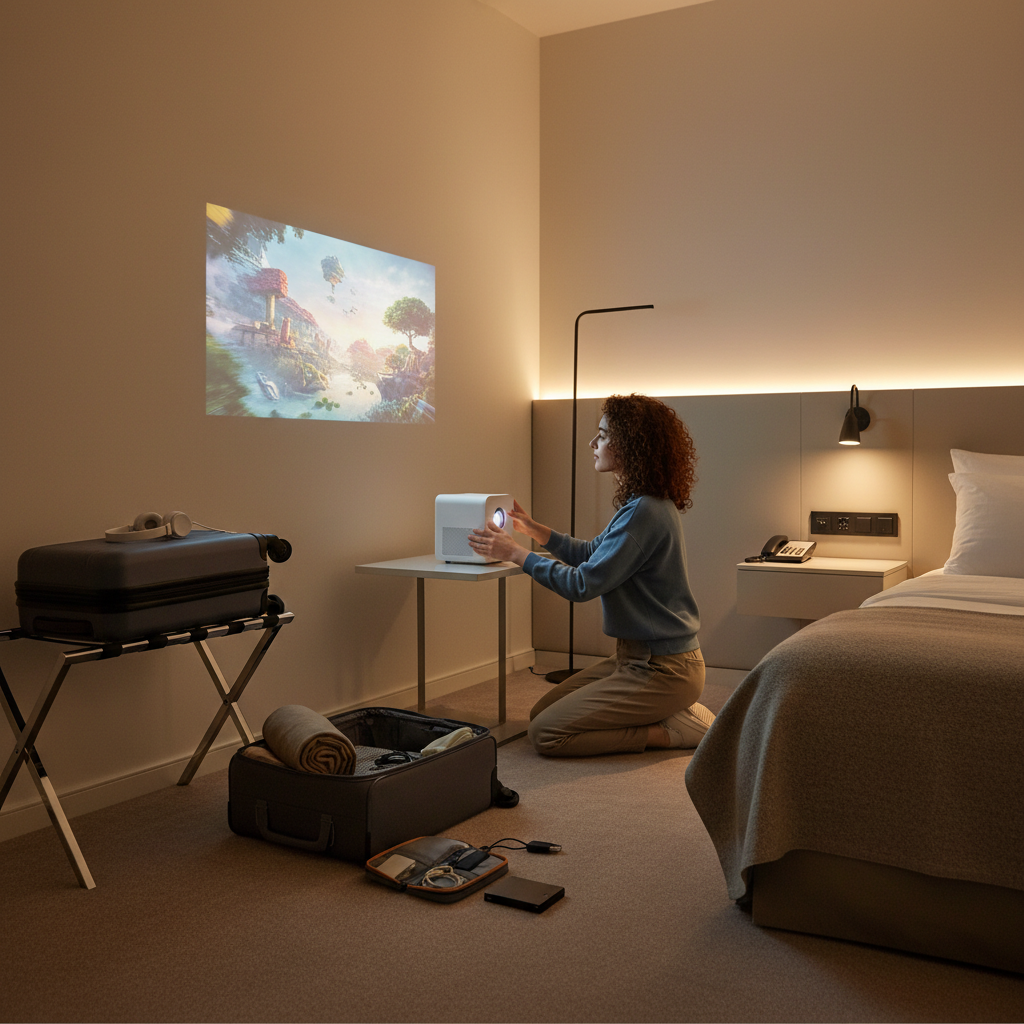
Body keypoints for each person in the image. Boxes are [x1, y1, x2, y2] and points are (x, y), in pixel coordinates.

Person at [468, 393, 714, 757]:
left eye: (601, 435)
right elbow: (591, 555)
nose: (592, 443)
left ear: (629, 445)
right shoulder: (641, 504)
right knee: (540, 713)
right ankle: (665, 711)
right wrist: (537, 531)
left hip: (663, 669)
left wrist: (516, 554)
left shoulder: (645, 512)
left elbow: (582, 584)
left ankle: (670, 730)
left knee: (546, 734)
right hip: (634, 660)